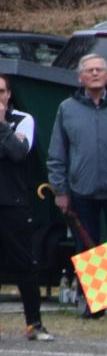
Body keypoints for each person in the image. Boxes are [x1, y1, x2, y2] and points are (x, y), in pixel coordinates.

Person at [46, 53, 107, 319]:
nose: (95, 74)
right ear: (80, 77)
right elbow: (57, 153)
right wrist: (61, 190)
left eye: (100, 70)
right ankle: (96, 304)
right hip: (82, 190)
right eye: (90, 70)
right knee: (89, 247)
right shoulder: (67, 108)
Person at [0, 75, 52, 340]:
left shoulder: (23, 120)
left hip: (14, 202)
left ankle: (34, 323)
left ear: (9, 94)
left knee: (24, 263)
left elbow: (20, 153)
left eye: (0, 91)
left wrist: (1, 126)